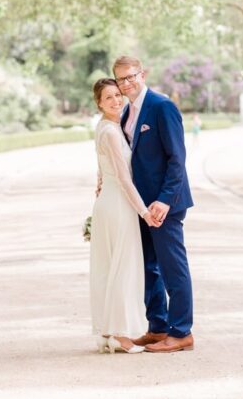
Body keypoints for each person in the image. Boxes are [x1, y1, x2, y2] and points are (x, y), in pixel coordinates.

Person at [114, 56, 196, 353]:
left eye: (131, 76)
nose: (127, 83)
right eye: (121, 79)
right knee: (149, 268)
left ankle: (181, 331)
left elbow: (177, 158)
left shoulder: (162, 107)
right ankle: (158, 326)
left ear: (142, 74)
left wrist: (164, 200)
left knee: (173, 267)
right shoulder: (125, 113)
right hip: (139, 205)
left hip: (164, 205)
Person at [89, 78, 161, 354]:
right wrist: (144, 212)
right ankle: (120, 335)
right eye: (109, 97)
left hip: (108, 201)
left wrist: (99, 181)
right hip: (118, 205)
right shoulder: (110, 132)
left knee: (110, 267)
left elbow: (103, 169)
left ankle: (109, 331)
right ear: (99, 102)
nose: (116, 101)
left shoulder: (106, 127)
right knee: (123, 268)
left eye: (118, 95)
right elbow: (122, 177)